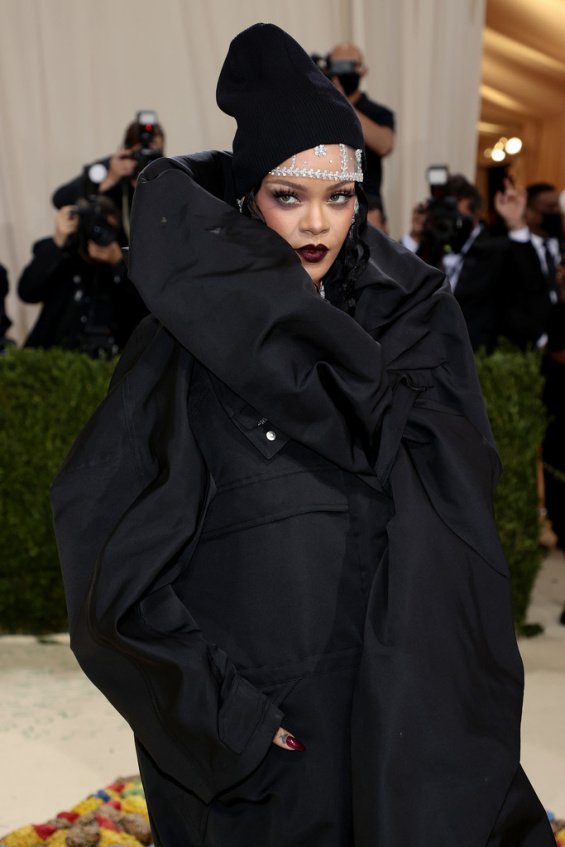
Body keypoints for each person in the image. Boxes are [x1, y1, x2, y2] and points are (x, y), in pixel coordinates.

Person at [51, 23, 554, 847]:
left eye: (338, 195)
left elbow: (456, 517)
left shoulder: (411, 322)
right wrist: (228, 722)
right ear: (250, 196)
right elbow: (108, 559)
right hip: (268, 741)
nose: (317, 221)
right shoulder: (183, 340)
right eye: (289, 195)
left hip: (392, 707)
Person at [18, 197, 146, 356]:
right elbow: (27, 292)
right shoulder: (61, 253)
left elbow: (141, 310)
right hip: (48, 356)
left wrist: (119, 263)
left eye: (108, 228)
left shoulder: (127, 264)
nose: (100, 234)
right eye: (96, 227)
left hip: (102, 362)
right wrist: (58, 241)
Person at [402, 174, 516, 352]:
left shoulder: (495, 248)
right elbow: (403, 282)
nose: (450, 219)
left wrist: (516, 224)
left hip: (477, 354)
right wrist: (416, 235)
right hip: (429, 351)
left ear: (476, 212)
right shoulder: (433, 243)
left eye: (455, 211)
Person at [52, 115, 165, 239]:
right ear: (128, 151)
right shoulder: (109, 170)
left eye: (154, 155)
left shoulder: (167, 176)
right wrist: (110, 178)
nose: (147, 160)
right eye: (141, 154)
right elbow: (60, 199)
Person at [494, 180, 562, 349]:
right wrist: (543, 341)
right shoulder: (509, 249)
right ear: (529, 213)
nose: (556, 213)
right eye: (549, 207)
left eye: (558, 208)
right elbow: (508, 303)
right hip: (527, 348)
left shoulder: (560, 246)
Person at [326, 42, 395, 200]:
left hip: (368, 203)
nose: (343, 72)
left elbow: (384, 145)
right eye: (336, 65)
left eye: (349, 65)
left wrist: (342, 101)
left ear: (363, 70)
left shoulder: (378, 112)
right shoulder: (321, 109)